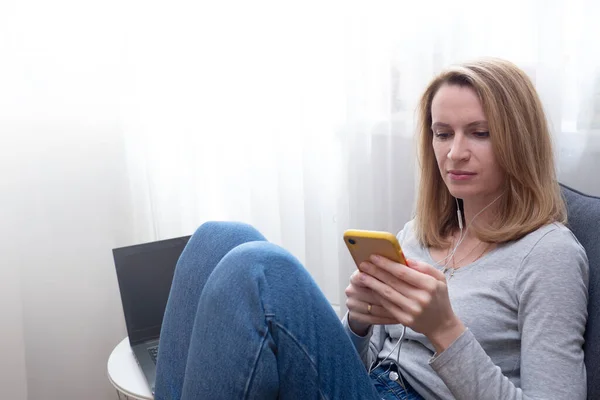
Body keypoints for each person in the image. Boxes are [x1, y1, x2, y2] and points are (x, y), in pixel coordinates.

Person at [153, 58, 589, 400]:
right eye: (442, 133)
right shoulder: (421, 233)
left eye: (479, 133)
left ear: (519, 139)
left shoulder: (549, 253)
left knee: (260, 268)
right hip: (370, 388)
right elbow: (360, 368)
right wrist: (358, 325)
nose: (454, 153)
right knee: (218, 237)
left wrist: (446, 332)